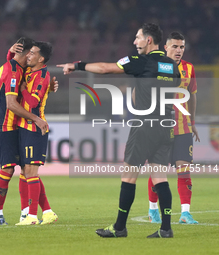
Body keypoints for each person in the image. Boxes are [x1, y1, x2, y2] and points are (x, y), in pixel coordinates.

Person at [58, 23, 180, 238]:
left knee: (129, 176)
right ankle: (166, 229)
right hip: (165, 126)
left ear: (149, 40)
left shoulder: (141, 61)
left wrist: (76, 65)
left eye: (138, 37)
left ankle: (119, 227)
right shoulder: (171, 65)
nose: (135, 42)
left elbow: (105, 68)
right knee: (160, 177)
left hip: (144, 126)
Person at [0, 37, 48, 225]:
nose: (31, 55)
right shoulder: (13, 71)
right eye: (30, 52)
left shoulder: (17, 67)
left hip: (17, 125)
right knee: (7, 169)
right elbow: (11, 104)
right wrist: (36, 119)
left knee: (26, 168)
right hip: (3, 125)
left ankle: (26, 213)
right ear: (26, 53)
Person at [148, 31, 200, 224]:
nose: (179, 50)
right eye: (175, 47)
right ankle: (153, 208)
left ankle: (185, 213)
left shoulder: (189, 68)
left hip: (183, 127)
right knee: (158, 170)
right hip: (160, 127)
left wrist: (192, 122)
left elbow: (192, 94)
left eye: (182, 47)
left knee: (184, 169)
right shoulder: (156, 67)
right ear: (166, 48)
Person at [15, 42, 58, 225]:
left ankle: (32, 216)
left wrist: (23, 89)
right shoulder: (29, 72)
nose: (28, 55)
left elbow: (32, 102)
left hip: (35, 128)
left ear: (41, 59)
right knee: (26, 172)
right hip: (24, 127)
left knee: (31, 172)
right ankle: (47, 212)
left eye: (32, 53)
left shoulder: (42, 75)